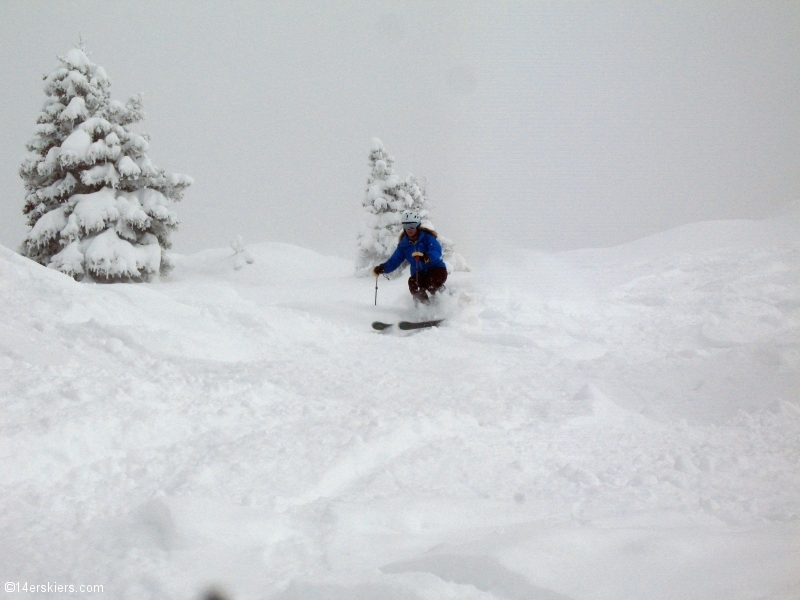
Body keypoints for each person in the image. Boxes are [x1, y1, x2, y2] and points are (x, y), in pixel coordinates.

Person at [373, 210, 447, 304]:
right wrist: (383, 268)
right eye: (406, 226)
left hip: (436, 269)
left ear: (417, 226)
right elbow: (395, 260)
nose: (409, 230)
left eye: (412, 226)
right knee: (413, 283)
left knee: (431, 282)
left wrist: (427, 257)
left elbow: (436, 250)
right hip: (419, 273)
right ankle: (424, 308)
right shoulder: (404, 245)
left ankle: (443, 301)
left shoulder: (427, 238)